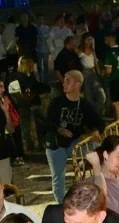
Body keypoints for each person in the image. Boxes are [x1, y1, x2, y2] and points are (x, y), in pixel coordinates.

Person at [44, 70, 105, 204]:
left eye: (68, 81)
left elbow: (99, 121)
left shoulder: (83, 104)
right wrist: (59, 129)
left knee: (96, 147)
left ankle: (93, 181)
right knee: (58, 177)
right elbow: (46, 122)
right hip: (56, 144)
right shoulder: (57, 102)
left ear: (77, 85)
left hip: (73, 142)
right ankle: (62, 206)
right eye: (64, 80)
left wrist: (96, 130)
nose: (64, 83)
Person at [78, 33, 106, 117]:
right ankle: (91, 116)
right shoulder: (79, 51)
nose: (90, 41)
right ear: (84, 40)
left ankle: (97, 113)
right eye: (88, 40)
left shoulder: (92, 50)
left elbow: (95, 62)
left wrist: (99, 73)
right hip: (85, 75)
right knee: (88, 97)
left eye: (91, 39)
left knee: (101, 95)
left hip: (93, 73)